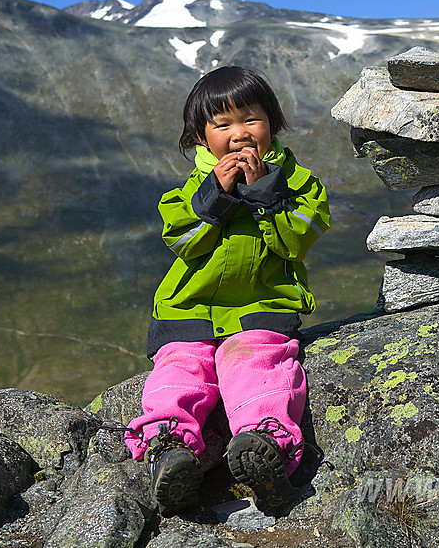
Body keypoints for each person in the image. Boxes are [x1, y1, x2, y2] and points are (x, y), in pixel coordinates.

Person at [124, 66, 330, 517]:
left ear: (272, 123)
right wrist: (216, 194)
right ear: (201, 139)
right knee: (177, 372)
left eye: (251, 119)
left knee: (259, 368)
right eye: (222, 125)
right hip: (187, 311)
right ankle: (170, 447)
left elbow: (297, 239)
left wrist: (264, 196)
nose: (239, 134)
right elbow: (181, 238)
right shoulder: (187, 193)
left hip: (260, 310)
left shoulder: (300, 186)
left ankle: (264, 446)